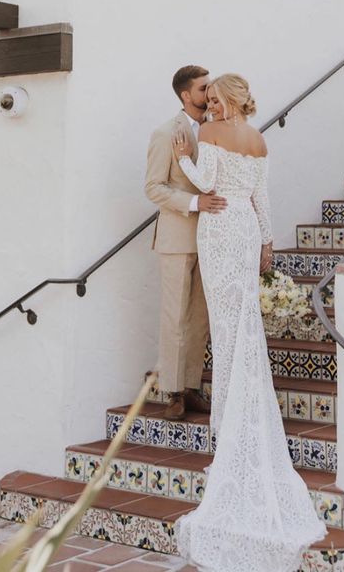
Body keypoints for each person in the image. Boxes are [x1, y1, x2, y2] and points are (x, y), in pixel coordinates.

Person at [172, 73, 324, 572]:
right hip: (243, 228)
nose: (210, 105)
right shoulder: (259, 140)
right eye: (207, 98)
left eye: (215, 98)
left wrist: (183, 160)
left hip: (218, 226)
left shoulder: (211, 135)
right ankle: (237, 413)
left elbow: (205, 182)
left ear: (230, 99)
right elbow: (262, 199)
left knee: (227, 322)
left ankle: (228, 422)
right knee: (242, 324)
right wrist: (267, 243)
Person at [144, 65, 228, 420]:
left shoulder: (216, 130)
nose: (210, 93)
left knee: (200, 318)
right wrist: (195, 203)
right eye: (204, 88)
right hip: (177, 239)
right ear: (185, 95)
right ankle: (173, 393)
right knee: (174, 317)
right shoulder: (166, 133)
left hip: (210, 238)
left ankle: (193, 387)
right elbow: (153, 187)